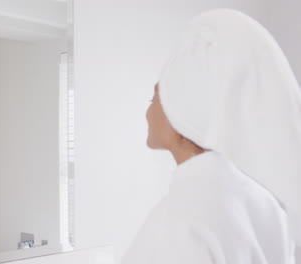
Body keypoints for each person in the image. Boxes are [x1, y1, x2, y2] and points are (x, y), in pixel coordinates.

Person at [123, 9, 300, 264]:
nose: (148, 112)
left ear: (181, 113)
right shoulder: (264, 203)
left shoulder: (178, 224)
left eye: (155, 98)